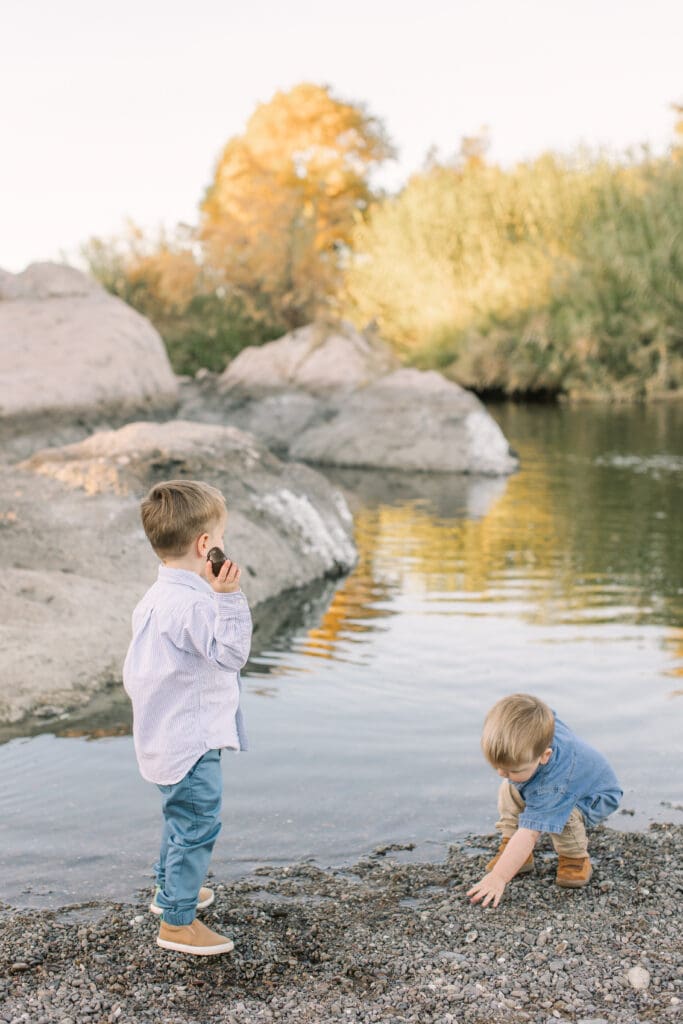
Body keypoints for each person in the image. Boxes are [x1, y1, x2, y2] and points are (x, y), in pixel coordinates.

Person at [123, 479, 252, 955]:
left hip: (162, 733)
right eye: (221, 537)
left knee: (179, 817)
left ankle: (167, 888)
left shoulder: (157, 595)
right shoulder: (197, 602)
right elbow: (232, 654)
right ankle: (178, 922)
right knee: (198, 823)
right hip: (191, 740)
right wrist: (230, 596)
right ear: (206, 546)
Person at [467, 693, 622, 908]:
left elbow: (530, 833)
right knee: (508, 789)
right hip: (562, 781)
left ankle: (574, 858)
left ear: (545, 756)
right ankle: (514, 849)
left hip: (594, 795)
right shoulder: (539, 729)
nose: (501, 772)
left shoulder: (552, 784)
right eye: (497, 766)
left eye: (513, 769)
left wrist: (499, 877)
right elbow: (527, 715)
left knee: (564, 816)